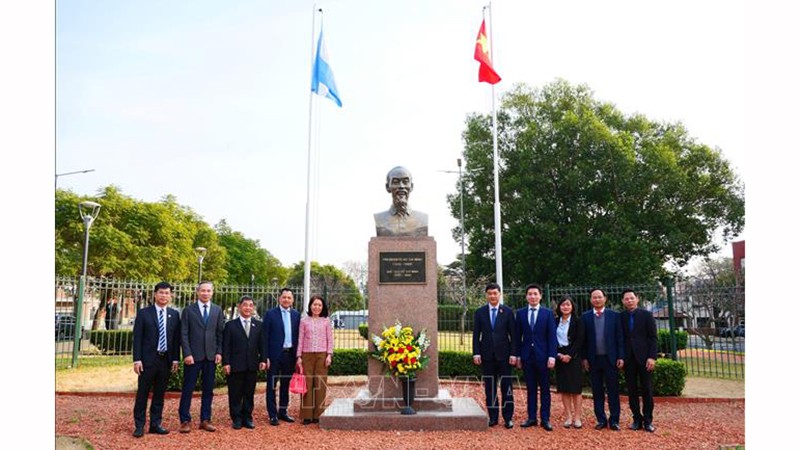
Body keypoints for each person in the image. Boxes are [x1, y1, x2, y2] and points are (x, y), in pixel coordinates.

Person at [131, 281, 181, 438]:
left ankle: (155, 424)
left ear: (170, 295)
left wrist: (175, 359)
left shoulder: (174, 315)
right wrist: (137, 359)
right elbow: (137, 338)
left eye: (167, 293)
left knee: (159, 394)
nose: (164, 296)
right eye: (161, 292)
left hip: (165, 360)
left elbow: (175, 339)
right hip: (147, 361)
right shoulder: (144, 313)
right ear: (155, 294)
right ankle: (139, 425)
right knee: (142, 394)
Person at [178, 281, 225, 433]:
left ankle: (205, 419)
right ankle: (185, 420)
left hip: (210, 356)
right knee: (188, 389)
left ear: (212, 292)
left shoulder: (217, 310)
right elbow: (183, 334)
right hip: (193, 356)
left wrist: (219, 352)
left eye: (208, 291)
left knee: (208, 389)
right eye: (202, 290)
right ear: (197, 292)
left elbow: (220, 333)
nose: (205, 293)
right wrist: (187, 353)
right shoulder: (188, 310)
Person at [472, 282, 519, 428]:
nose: (492, 296)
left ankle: (508, 418)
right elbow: (476, 335)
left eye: (495, 293)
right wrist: (476, 352)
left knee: (507, 388)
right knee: (490, 389)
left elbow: (514, 335)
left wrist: (513, 354)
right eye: (490, 293)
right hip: (487, 357)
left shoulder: (508, 312)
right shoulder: (480, 312)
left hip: (504, 357)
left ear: (500, 294)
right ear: (486, 295)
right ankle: (493, 417)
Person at [515, 283, 557, 431]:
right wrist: (518, 356)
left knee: (545, 389)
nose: (532, 296)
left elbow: (552, 336)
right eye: (530, 294)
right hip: (527, 357)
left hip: (543, 357)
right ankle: (531, 417)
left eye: (535, 294)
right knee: (530, 389)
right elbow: (516, 337)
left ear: (540, 296)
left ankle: (545, 419)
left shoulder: (547, 313)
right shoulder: (520, 313)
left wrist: (552, 355)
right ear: (526, 296)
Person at [581, 288, 624, 431]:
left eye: (599, 297)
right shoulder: (585, 317)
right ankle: (600, 419)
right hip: (594, 359)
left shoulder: (614, 316)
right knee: (597, 391)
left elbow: (620, 338)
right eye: (594, 297)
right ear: (590, 300)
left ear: (605, 298)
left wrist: (620, 356)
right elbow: (584, 340)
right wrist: (585, 358)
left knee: (613, 390)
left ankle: (614, 420)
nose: (597, 299)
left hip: (610, 359)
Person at [222, 295, 266, 430]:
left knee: (249, 393)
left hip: (252, 365)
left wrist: (263, 359)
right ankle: (236, 418)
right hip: (235, 365)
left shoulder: (258, 325)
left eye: (250, 305)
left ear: (253, 308)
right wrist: (226, 363)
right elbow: (226, 346)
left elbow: (262, 345)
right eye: (245, 305)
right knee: (235, 393)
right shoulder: (230, 325)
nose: (248, 308)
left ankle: (247, 417)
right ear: (240, 306)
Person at [262, 287, 301, 426]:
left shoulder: (297, 315)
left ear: (292, 300)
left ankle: (283, 411)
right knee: (272, 385)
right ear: (279, 298)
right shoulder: (270, 314)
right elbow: (264, 337)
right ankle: (272, 414)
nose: (286, 300)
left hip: (289, 355)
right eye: (284, 297)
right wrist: (264, 357)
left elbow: (298, 337)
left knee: (285, 385)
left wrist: (298, 356)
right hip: (274, 356)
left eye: (289, 298)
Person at [621, 288, 658, 432]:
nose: (629, 301)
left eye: (632, 298)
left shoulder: (647, 316)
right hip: (628, 359)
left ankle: (648, 420)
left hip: (644, 358)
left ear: (637, 299)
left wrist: (652, 357)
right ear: (623, 301)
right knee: (631, 391)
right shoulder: (621, 317)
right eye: (626, 299)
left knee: (647, 389)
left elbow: (653, 338)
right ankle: (636, 418)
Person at [295, 295, 334, 425]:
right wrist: (299, 357)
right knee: (307, 384)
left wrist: (329, 355)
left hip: (322, 355)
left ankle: (318, 414)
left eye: (319, 305)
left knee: (320, 384)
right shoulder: (304, 321)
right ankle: (306, 415)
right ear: (310, 306)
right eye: (314, 304)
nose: (316, 307)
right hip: (306, 355)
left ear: (322, 307)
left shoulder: (326, 321)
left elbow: (330, 339)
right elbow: (300, 339)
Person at [554, 295, 585, 429]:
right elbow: (551, 337)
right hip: (559, 356)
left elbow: (580, 340)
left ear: (572, 307)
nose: (565, 307)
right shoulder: (555, 321)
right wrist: (558, 354)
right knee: (564, 388)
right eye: (563, 305)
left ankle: (577, 417)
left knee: (576, 389)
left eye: (568, 304)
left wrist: (570, 355)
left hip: (574, 357)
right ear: (559, 307)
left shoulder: (578, 321)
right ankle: (568, 416)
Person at [373, 166, 429, 237]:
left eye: (405, 182)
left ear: (411, 186)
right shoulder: (380, 219)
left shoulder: (422, 219)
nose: (401, 186)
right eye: (396, 182)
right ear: (387, 187)